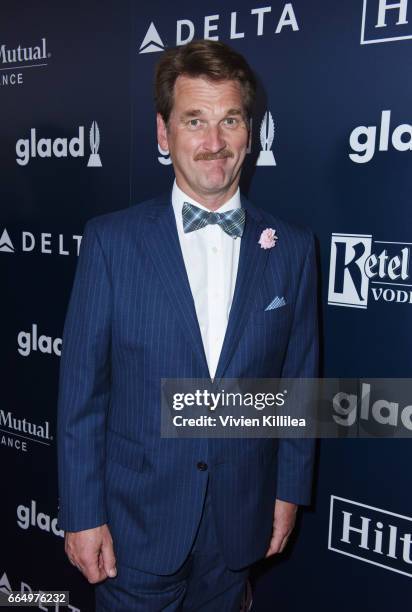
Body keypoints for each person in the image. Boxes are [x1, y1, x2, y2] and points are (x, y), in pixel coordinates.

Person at [57, 39, 318, 611]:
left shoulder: (292, 250)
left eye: (230, 120)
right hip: (133, 526)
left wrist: (289, 493)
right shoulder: (111, 242)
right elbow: (82, 394)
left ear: (250, 133)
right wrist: (81, 514)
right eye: (194, 120)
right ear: (163, 132)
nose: (214, 143)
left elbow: (297, 386)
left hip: (238, 522)